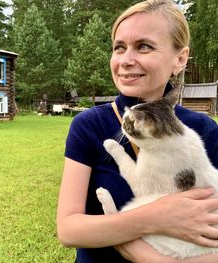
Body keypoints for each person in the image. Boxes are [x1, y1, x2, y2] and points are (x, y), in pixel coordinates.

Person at [56, 0, 218, 262]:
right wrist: (155, 217)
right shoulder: (88, 125)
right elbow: (69, 229)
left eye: (144, 46)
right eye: (119, 48)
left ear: (180, 58)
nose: (126, 60)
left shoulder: (204, 131)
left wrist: (146, 256)